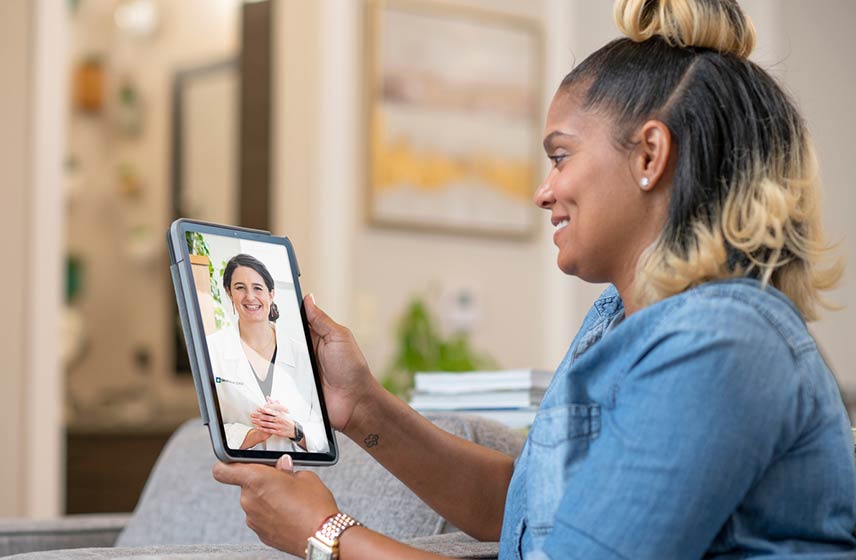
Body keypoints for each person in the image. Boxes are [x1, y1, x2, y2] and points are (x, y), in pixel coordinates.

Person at [212, 0, 856, 558]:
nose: (544, 192)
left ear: (650, 155)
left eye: (561, 156)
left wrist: (326, 535)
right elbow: (527, 512)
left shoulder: (720, 343)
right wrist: (363, 407)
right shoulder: (617, 320)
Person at [206, 253, 328, 453]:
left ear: (271, 294)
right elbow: (212, 425)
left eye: (257, 288)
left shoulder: (302, 353)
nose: (250, 297)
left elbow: (324, 430)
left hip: (297, 468)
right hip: (242, 468)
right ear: (229, 293)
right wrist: (254, 435)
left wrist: (295, 430)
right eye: (240, 288)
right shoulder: (212, 349)